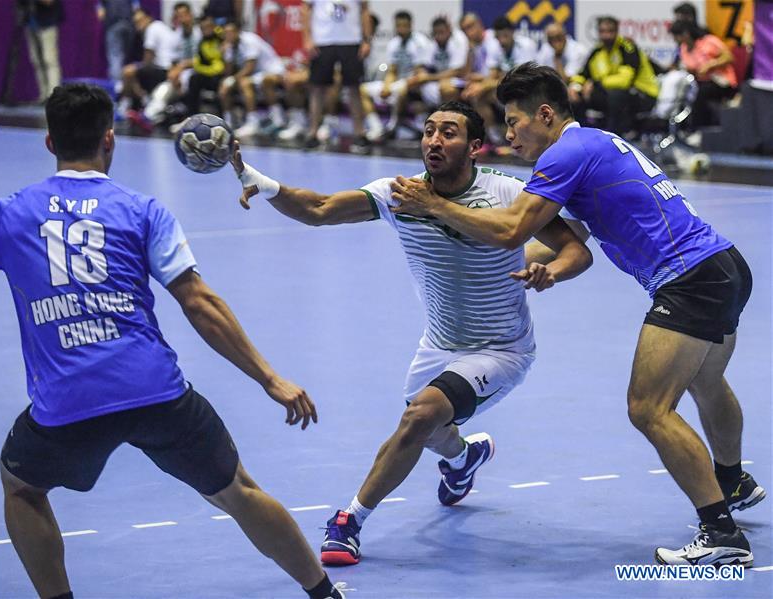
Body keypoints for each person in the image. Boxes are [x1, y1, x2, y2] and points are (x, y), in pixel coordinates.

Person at [0, 83, 345, 599]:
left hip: (66, 403)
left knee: (22, 486)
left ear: (49, 142)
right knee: (238, 491)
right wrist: (270, 378)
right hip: (155, 391)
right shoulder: (143, 211)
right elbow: (199, 303)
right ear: (111, 140)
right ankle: (324, 593)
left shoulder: (6, 215)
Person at [389, 63, 765, 567]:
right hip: (725, 266)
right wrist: (519, 273)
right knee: (708, 383)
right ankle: (732, 480)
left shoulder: (563, 153)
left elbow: (509, 231)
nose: (509, 134)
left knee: (647, 408)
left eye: (515, 121)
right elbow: (570, 240)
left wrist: (435, 204)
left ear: (544, 115)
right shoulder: (592, 144)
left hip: (688, 280)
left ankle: (720, 534)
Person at [231, 100, 592, 565]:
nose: (435, 141)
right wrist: (261, 182)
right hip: (437, 345)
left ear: (476, 147)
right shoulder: (398, 194)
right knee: (428, 427)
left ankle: (349, 521)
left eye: (449, 133)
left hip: (500, 349)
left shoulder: (507, 193)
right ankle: (464, 459)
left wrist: (551, 272)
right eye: (428, 131)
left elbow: (575, 250)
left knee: (419, 417)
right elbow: (319, 209)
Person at [568, 16, 658, 136]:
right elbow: (583, 74)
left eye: (610, 31)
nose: (606, 36)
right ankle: (581, 135)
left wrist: (595, 83)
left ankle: (615, 137)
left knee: (616, 95)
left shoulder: (627, 48)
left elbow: (624, 81)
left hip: (643, 94)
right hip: (611, 94)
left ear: (616, 31)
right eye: (602, 32)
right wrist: (575, 87)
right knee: (575, 96)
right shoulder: (597, 52)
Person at [302, 0, 373, 152]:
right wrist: (307, 38)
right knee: (317, 88)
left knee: (354, 88)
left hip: (351, 40)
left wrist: (367, 40)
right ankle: (312, 133)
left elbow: (365, 10)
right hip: (323, 40)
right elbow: (306, 9)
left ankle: (359, 134)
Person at [462, 16, 537, 152]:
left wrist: (484, 85)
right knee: (478, 95)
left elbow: (519, 77)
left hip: (527, 91)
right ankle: (494, 138)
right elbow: (493, 75)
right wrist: (478, 87)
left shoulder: (527, 45)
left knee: (484, 89)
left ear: (512, 32)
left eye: (505, 36)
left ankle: (522, 141)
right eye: (499, 37)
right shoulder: (496, 47)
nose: (502, 40)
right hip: (507, 88)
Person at [359, 10, 430, 141]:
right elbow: (392, 70)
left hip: (412, 82)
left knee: (402, 90)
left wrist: (403, 84)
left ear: (410, 25)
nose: (401, 29)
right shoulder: (393, 43)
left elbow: (420, 71)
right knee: (362, 90)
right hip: (397, 83)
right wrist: (387, 86)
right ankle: (376, 127)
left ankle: (393, 126)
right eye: (398, 26)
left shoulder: (420, 42)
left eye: (404, 25)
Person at [220, 21, 287, 137]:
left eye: (231, 32)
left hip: (272, 70)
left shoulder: (250, 40)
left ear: (238, 32)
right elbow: (228, 71)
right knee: (224, 85)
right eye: (226, 33)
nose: (228, 35)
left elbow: (250, 67)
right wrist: (224, 55)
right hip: (255, 75)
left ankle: (256, 122)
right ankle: (228, 122)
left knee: (245, 83)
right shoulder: (229, 45)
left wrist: (232, 80)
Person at [670, 20, 738, 128]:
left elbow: (729, 57)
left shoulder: (709, 41)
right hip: (700, 81)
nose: (675, 40)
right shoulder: (683, 49)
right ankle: (679, 126)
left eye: (677, 36)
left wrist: (711, 64)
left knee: (701, 93)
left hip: (721, 82)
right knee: (684, 91)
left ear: (686, 34)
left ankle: (698, 128)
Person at [18, 0, 64, 103]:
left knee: (49, 59)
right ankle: (44, 95)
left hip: (47, 21)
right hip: (30, 21)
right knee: (36, 60)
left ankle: (54, 96)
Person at [97, 0, 138, 90]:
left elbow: (100, 13)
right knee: (125, 56)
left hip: (113, 24)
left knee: (115, 56)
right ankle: (126, 84)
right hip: (128, 24)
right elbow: (136, 8)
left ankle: (117, 86)